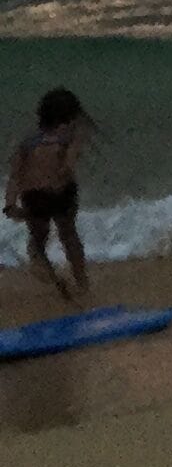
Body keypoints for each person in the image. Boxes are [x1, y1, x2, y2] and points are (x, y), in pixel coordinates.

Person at [7, 88, 94, 307]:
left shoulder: (28, 142)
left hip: (34, 197)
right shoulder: (69, 139)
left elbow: (15, 176)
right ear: (70, 117)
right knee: (69, 236)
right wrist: (75, 144)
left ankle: (54, 278)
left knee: (37, 242)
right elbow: (68, 167)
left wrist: (9, 204)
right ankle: (81, 282)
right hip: (62, 193)